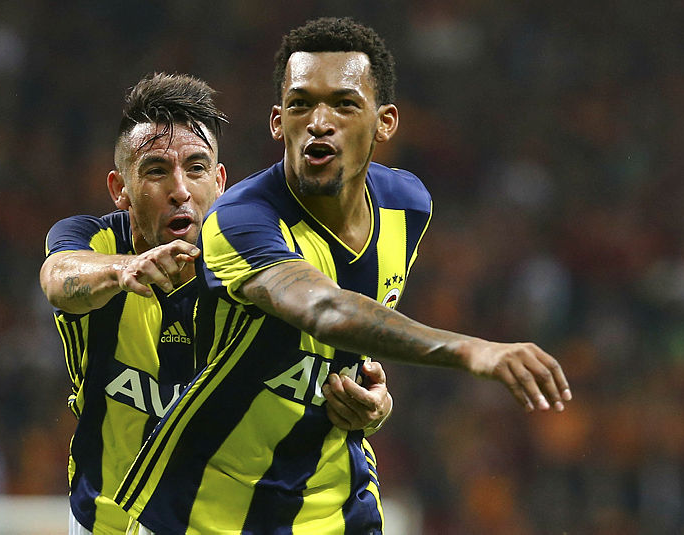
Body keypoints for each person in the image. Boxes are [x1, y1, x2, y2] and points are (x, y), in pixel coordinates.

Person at [115, 18, 572, 535]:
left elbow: (349, 344)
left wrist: (374, 400)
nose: (319, 122)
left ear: (385, 122)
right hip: (199, 511)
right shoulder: (240, 220)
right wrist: (472, 350)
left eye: (344, 104)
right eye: (300, 104)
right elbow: (325, 311)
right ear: (277, 121)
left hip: (333, 507)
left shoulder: (407, 206)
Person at [39, 73, 394, 535]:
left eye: (196, 168)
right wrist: (123, 270)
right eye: (156, 170)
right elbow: (58, 276)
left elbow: (329, 377)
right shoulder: (95, 242)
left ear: (220, 180)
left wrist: (372, 404)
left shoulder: (261, 258)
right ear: (120, 187)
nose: (180, 190)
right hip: (106, 520)